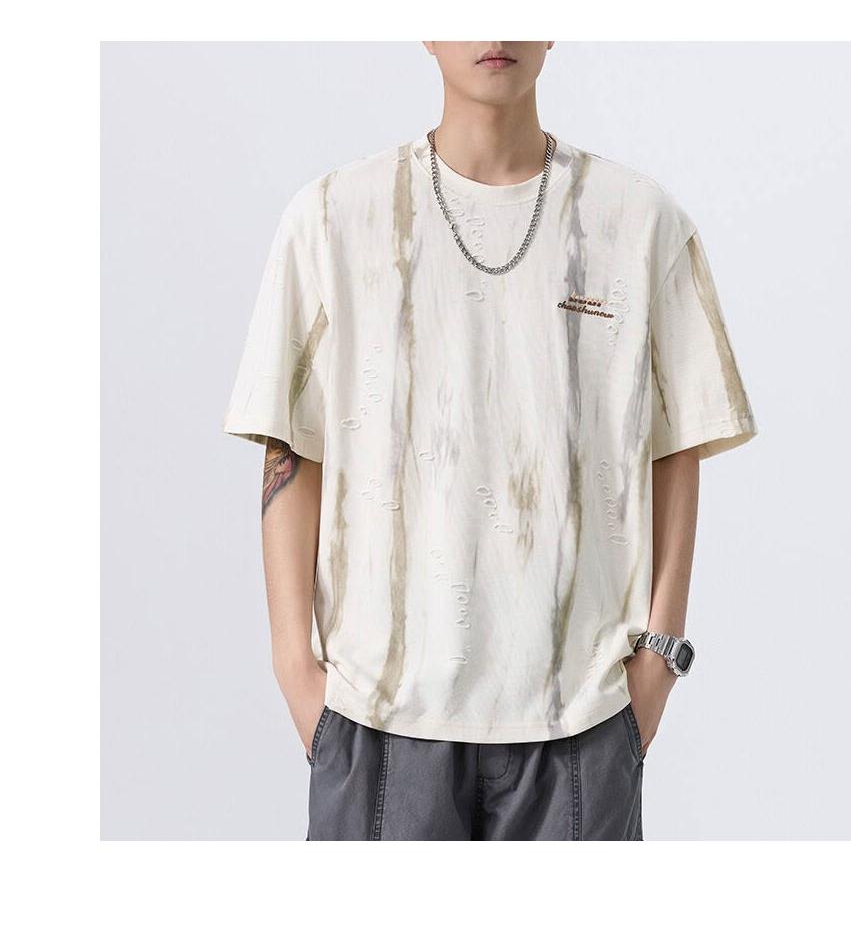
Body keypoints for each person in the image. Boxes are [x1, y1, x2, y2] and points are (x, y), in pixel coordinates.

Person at [222, 41, 758, 840]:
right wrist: (294, 669)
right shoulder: (333, 218)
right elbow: (292, 447)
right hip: (378, 719)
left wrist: (658, 661)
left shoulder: (639, 222)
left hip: (580, 723)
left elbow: (679, 442)